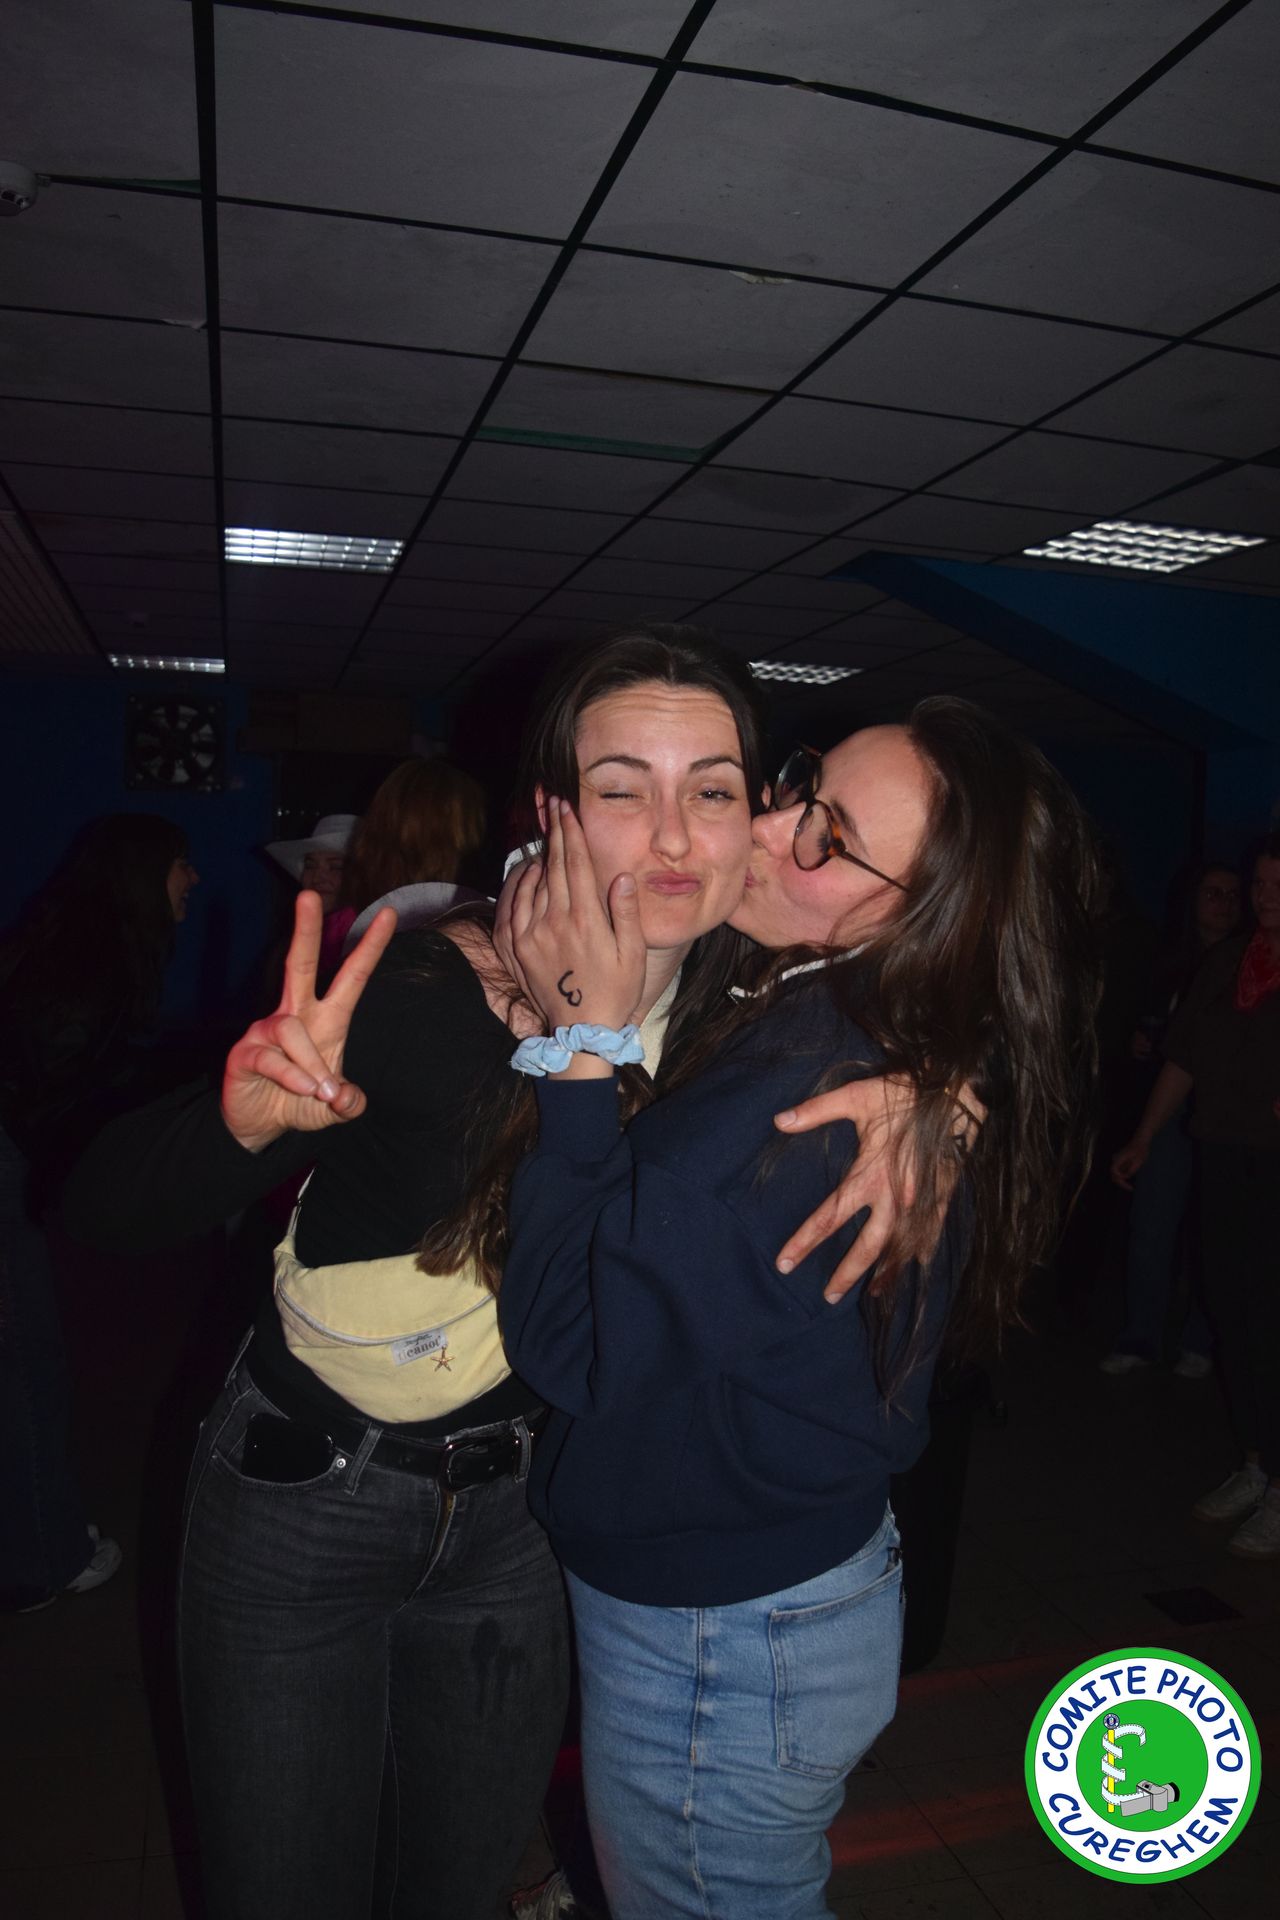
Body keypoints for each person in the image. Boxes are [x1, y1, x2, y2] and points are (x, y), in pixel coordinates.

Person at [62, 629, 923, 1920]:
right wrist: (235, 1128)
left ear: (758, 815)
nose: (673, 835)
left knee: (456, 1893)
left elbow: (974, 954)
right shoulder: (422, 989)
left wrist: (936, 1091)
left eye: (711, 790)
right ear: (551, 812)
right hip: (305, 1502)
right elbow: (97, 1207)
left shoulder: (741, 1007)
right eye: (622, 787)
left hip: (522, 1520)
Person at [489, 701, 1099, 1920]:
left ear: (923, 921)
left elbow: (571, 1340)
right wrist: (947, 1079)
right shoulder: (836, 1013)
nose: (768, 831)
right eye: (797, 788)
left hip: (722, 1629)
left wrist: (578, 1055)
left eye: (827, 837)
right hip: (775, 1586)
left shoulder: (812, 1107)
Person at [0, 812, 197, 1610]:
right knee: (25, 1360)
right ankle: (42, 1560)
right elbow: (51, 1087)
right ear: (145, 871)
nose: (193, 879)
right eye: (182, 864)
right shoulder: (94, 961)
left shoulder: (79, 942)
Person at [1113, 834, 1280, 1559]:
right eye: (1261, 884)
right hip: (1222, 1156)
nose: (1266, 897)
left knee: (1271, 1320)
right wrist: (1145, 1137)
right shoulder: (1229, 962)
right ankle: (1256, 1462)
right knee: (1231, 1311)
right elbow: (1182, 1058)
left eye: (1279, 885)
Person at [1100, 860, 1242, 1376]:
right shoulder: (1165, 961)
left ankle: (1201, 1339)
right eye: (1213, 892)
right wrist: (1138, 1041)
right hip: (1169, 1108)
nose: (1223, 903)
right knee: (1153, 1222)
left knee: (1212, 1231)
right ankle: (1141, 1335)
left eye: (1233, 894)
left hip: (1229, 1111)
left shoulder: (1250, 963)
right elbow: (1143, 1025)